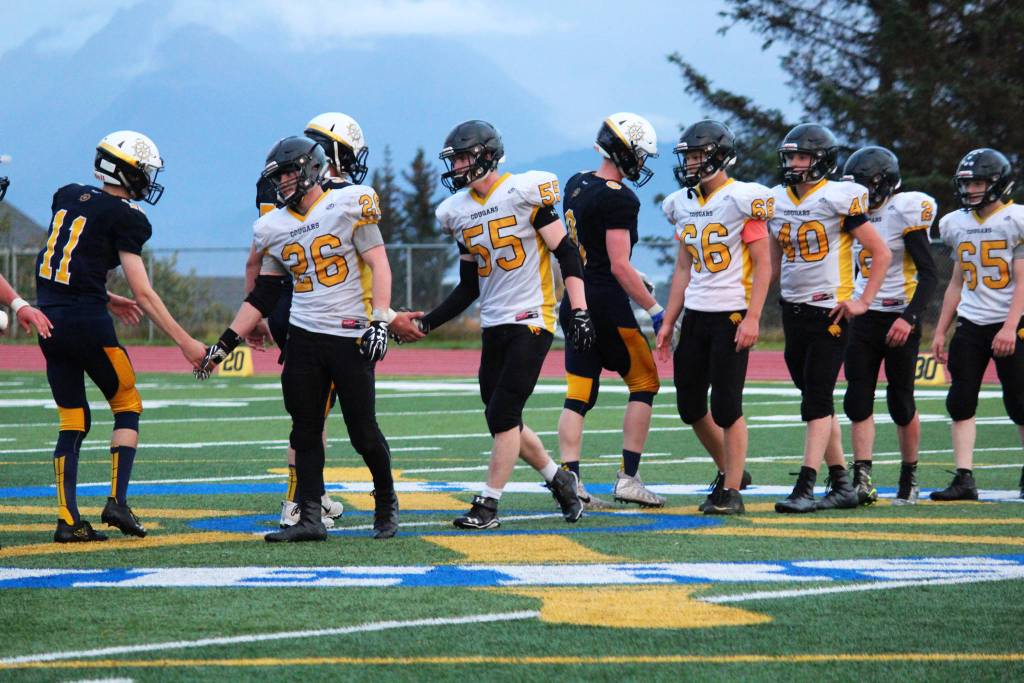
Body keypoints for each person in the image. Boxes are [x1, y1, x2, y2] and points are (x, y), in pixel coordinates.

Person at [197, 135, 400, 541]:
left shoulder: (348, 205)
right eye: (280, 175)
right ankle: (309, 517)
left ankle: (385, 499)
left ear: (311, 168)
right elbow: (265, 293)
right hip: (305, 336)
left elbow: (380, 263)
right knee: (304, 430)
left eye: (289, 172)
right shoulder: (274, 226)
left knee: (362, 431)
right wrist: (224, 343)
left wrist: (380, 321)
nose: (284, 182)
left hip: (349, 334)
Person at [393, 119, 592, 529]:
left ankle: (488, 505)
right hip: (495, 323)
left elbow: (567, 254)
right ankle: (560, 480)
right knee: (504, 418)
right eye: (456, 159)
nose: (458, 167)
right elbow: (468, 287)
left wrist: (580, 309)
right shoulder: (458, 211)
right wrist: (427, 324)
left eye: (464, 157)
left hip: (533, 319)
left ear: (486, 155)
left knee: (503, 413)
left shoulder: (524, 193)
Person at [36, 130, 207, 542]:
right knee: (127, 404)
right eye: (143, 171)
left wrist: (106, 296)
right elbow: (144, 292)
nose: (147, 179)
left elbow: (65, 265)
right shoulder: (127, 217)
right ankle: (116, 501)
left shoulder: (68, 195)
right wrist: (186, 341)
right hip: (88, 325)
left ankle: (67, 521)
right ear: (126, 171)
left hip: (50, 323)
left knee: (73, 419)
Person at [245, 113, 373, 529]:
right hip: (314, 307)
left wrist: (257, 312)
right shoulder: (329, 190)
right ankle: (297, 502)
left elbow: (256, 259)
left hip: (284, 302)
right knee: (312, 414)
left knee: (310, 411)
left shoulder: (275, 181)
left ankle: (312, 494)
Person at [767, 123, 892, 513]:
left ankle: (804, 486)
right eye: (789, 156)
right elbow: (771, 263)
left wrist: (862, 301)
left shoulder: (838, 198)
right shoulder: (774, 200)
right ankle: (841, 483)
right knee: (816, 401)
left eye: (801, 156)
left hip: (829, 311)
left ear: (821, 160)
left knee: (817, 400)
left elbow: (881, 253)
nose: (793, 163)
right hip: (793, 311)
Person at [657, 119, 772, 515]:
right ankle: (730, 470)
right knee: (690, 406)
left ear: (719, 155)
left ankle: (733, 491)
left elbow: (763, 264)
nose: (690, 162)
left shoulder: (743, 198)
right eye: (687, 155)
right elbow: (683, 270)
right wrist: (670, 320)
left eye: (697, 155)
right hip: (697, 315)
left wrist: (753, 317)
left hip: (732, 314)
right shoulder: (682, 203)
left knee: (727, 405)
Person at [556, 113, 665, 510]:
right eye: (640, 154)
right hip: (606, 302)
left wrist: (636, 278)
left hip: (576, 298)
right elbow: (617, 266)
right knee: (645, 382)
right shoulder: (619, 196)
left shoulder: (575, 183)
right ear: (624, 150)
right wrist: (655, 309)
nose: (642, 163)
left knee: (579, 394)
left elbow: (591, 254)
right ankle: (629, 478)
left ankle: (571, 482)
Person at [841, 146, 938, 505]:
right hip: (864, 316)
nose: (860, 195)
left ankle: (909, 474)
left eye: (865, 186)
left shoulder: (904, 211)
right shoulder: (852, 217)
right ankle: (862, 478)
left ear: (884, 183)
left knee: (900, 400)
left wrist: (909, 317)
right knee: (857, 397)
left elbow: (929, 274)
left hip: (900, 314)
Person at [931, 148, 1024, 501]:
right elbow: (956, 281)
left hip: (1011, 320)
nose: (971, 189)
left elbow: (1022, 280)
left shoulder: (1015, 219)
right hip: (971, 321)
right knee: (960, 399)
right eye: (967, 182)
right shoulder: (956, 223)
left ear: (998, 184)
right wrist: (941, 329)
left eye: (979, 182)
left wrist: (1010, 326)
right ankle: (964, 477)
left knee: (1020, 400)